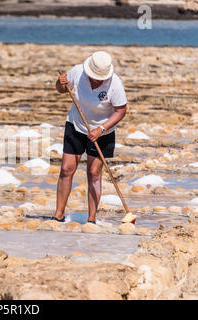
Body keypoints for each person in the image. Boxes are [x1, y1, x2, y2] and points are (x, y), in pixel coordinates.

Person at [52, 51, 127, 223]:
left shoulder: (115, 83)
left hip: (103, 131)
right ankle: (58, 215)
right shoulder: (78, 72)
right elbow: (62, 90)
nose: (96, 79)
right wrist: (60, 83)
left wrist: (100, 129)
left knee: (94, 173)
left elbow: (121, 111)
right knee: (66, 169)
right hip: (76, 124)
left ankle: (92, 218)